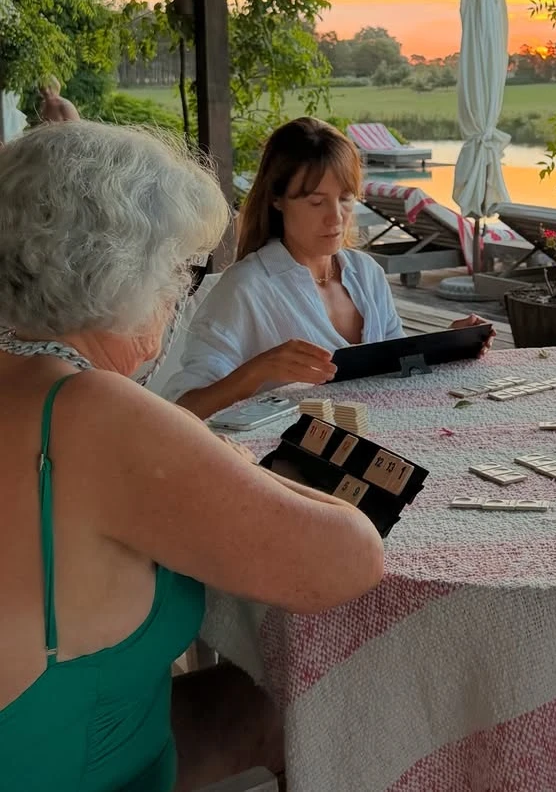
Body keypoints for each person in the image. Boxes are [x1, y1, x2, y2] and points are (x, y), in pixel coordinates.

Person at [0, 121, 385, 792]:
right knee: (354, 698)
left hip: (64, 730)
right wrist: (225, 457)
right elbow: (348, 560)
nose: (180, 291)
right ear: (123, 273)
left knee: (279, 702)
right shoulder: (94, 411)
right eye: (178, 267)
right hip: (67, 768)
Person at [165, 116, 489, 419]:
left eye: (346, 198)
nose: (336, 218)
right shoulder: (246, 288)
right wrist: (258, 370)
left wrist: (446, 346)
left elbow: (395, 368)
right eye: (316, 202)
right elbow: (184, 409)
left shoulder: (366, 274)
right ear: (277, 199)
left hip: (374, 442)